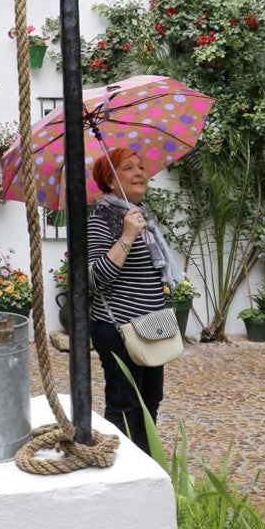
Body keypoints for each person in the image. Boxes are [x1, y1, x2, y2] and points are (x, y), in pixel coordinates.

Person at [87, 147, 183, 454]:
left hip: (150, 326)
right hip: (118, 329)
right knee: (125, 402)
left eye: (141, 167)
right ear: (111, 181)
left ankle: (147, 460)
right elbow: (93, 278)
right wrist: (126, 236)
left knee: (150, 399)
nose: (140, 172)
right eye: (128, 168)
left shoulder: (142, 219)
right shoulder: (103, 219)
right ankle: (121, 468)